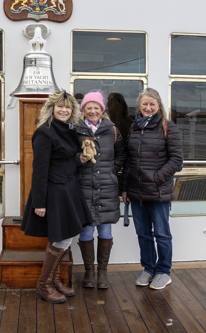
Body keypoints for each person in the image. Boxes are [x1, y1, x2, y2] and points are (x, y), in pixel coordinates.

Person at [21, 91, 93, 304]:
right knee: (61, 237)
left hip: (68, 190)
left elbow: (64, 161)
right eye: (60, 106)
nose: (64, 110)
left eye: (68, 107)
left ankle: (52, 281)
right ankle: (44, 285)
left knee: (65, 236)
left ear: (73, 110)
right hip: (54, 193)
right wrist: (39, 202)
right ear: (52, 108)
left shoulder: (69, 129)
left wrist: (80, 159)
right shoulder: (45, 132)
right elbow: (40, 170)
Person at [120, 88, 183, 290]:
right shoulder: (133, 128)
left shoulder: (168, 127)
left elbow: (176, 160)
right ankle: (149, 268)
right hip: (136, 191)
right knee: (144, 234)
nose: (148, 108)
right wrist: (125, 188)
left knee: (162, 234)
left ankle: (163, 271)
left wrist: (156, 179)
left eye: (152, 104)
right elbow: (128, 161)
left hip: (157, 191)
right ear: (139, 105)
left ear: (158, 106)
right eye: (144, 104)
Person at [75, 90, 126, 289]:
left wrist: (112, 171)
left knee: (105, 228)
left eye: (96, 107)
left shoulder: (112, 130)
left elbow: (122, 154)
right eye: (89, 107)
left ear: (102, 110)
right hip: (83, 187)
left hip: (107, 187)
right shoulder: (76, 130)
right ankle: (89, 271)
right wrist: (79, 162)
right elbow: (69, 155)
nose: (93, 111)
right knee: (86, 230)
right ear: (84, 110)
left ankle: (102, 273)